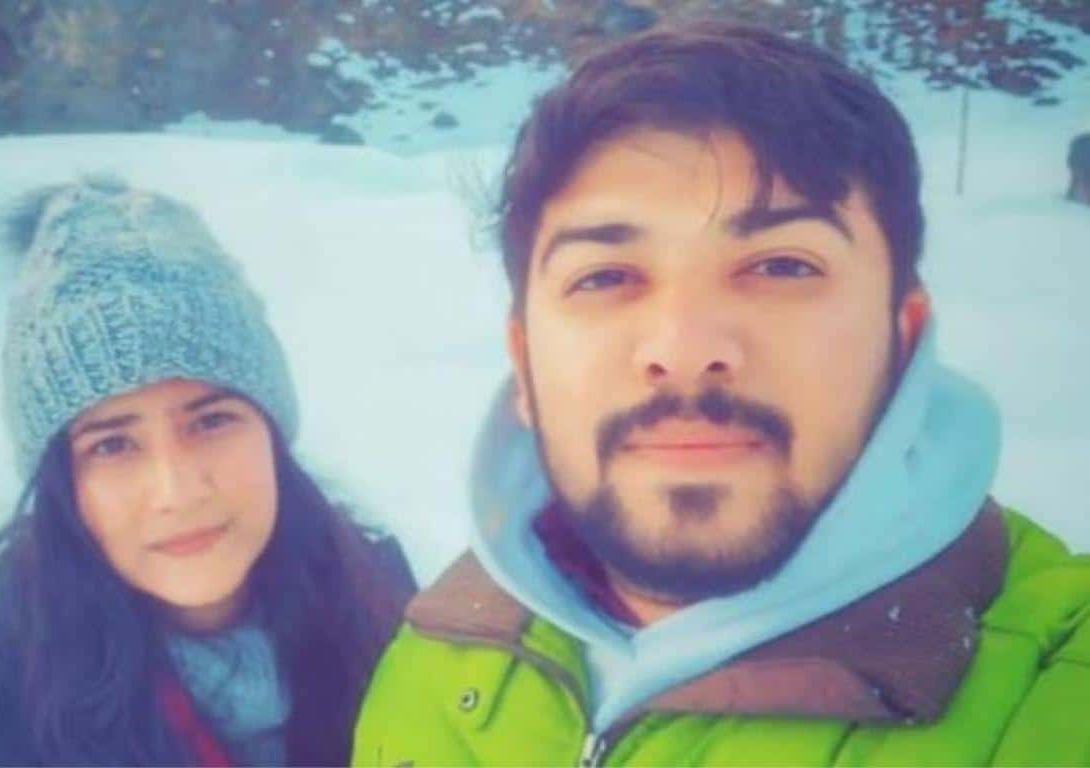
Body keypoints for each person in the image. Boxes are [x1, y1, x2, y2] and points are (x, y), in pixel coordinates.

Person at [353, 22, 1089, 766]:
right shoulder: (435, 658)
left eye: (781, 267)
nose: (683, 349)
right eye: (604, 276)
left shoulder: (1060, 684)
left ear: (902, 343)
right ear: (524, 362)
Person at [0, 178, 414, 766]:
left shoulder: (397, 621)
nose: (176, 490)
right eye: (113, 445)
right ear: (61, 484)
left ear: (272, 434)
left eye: (211, 421)